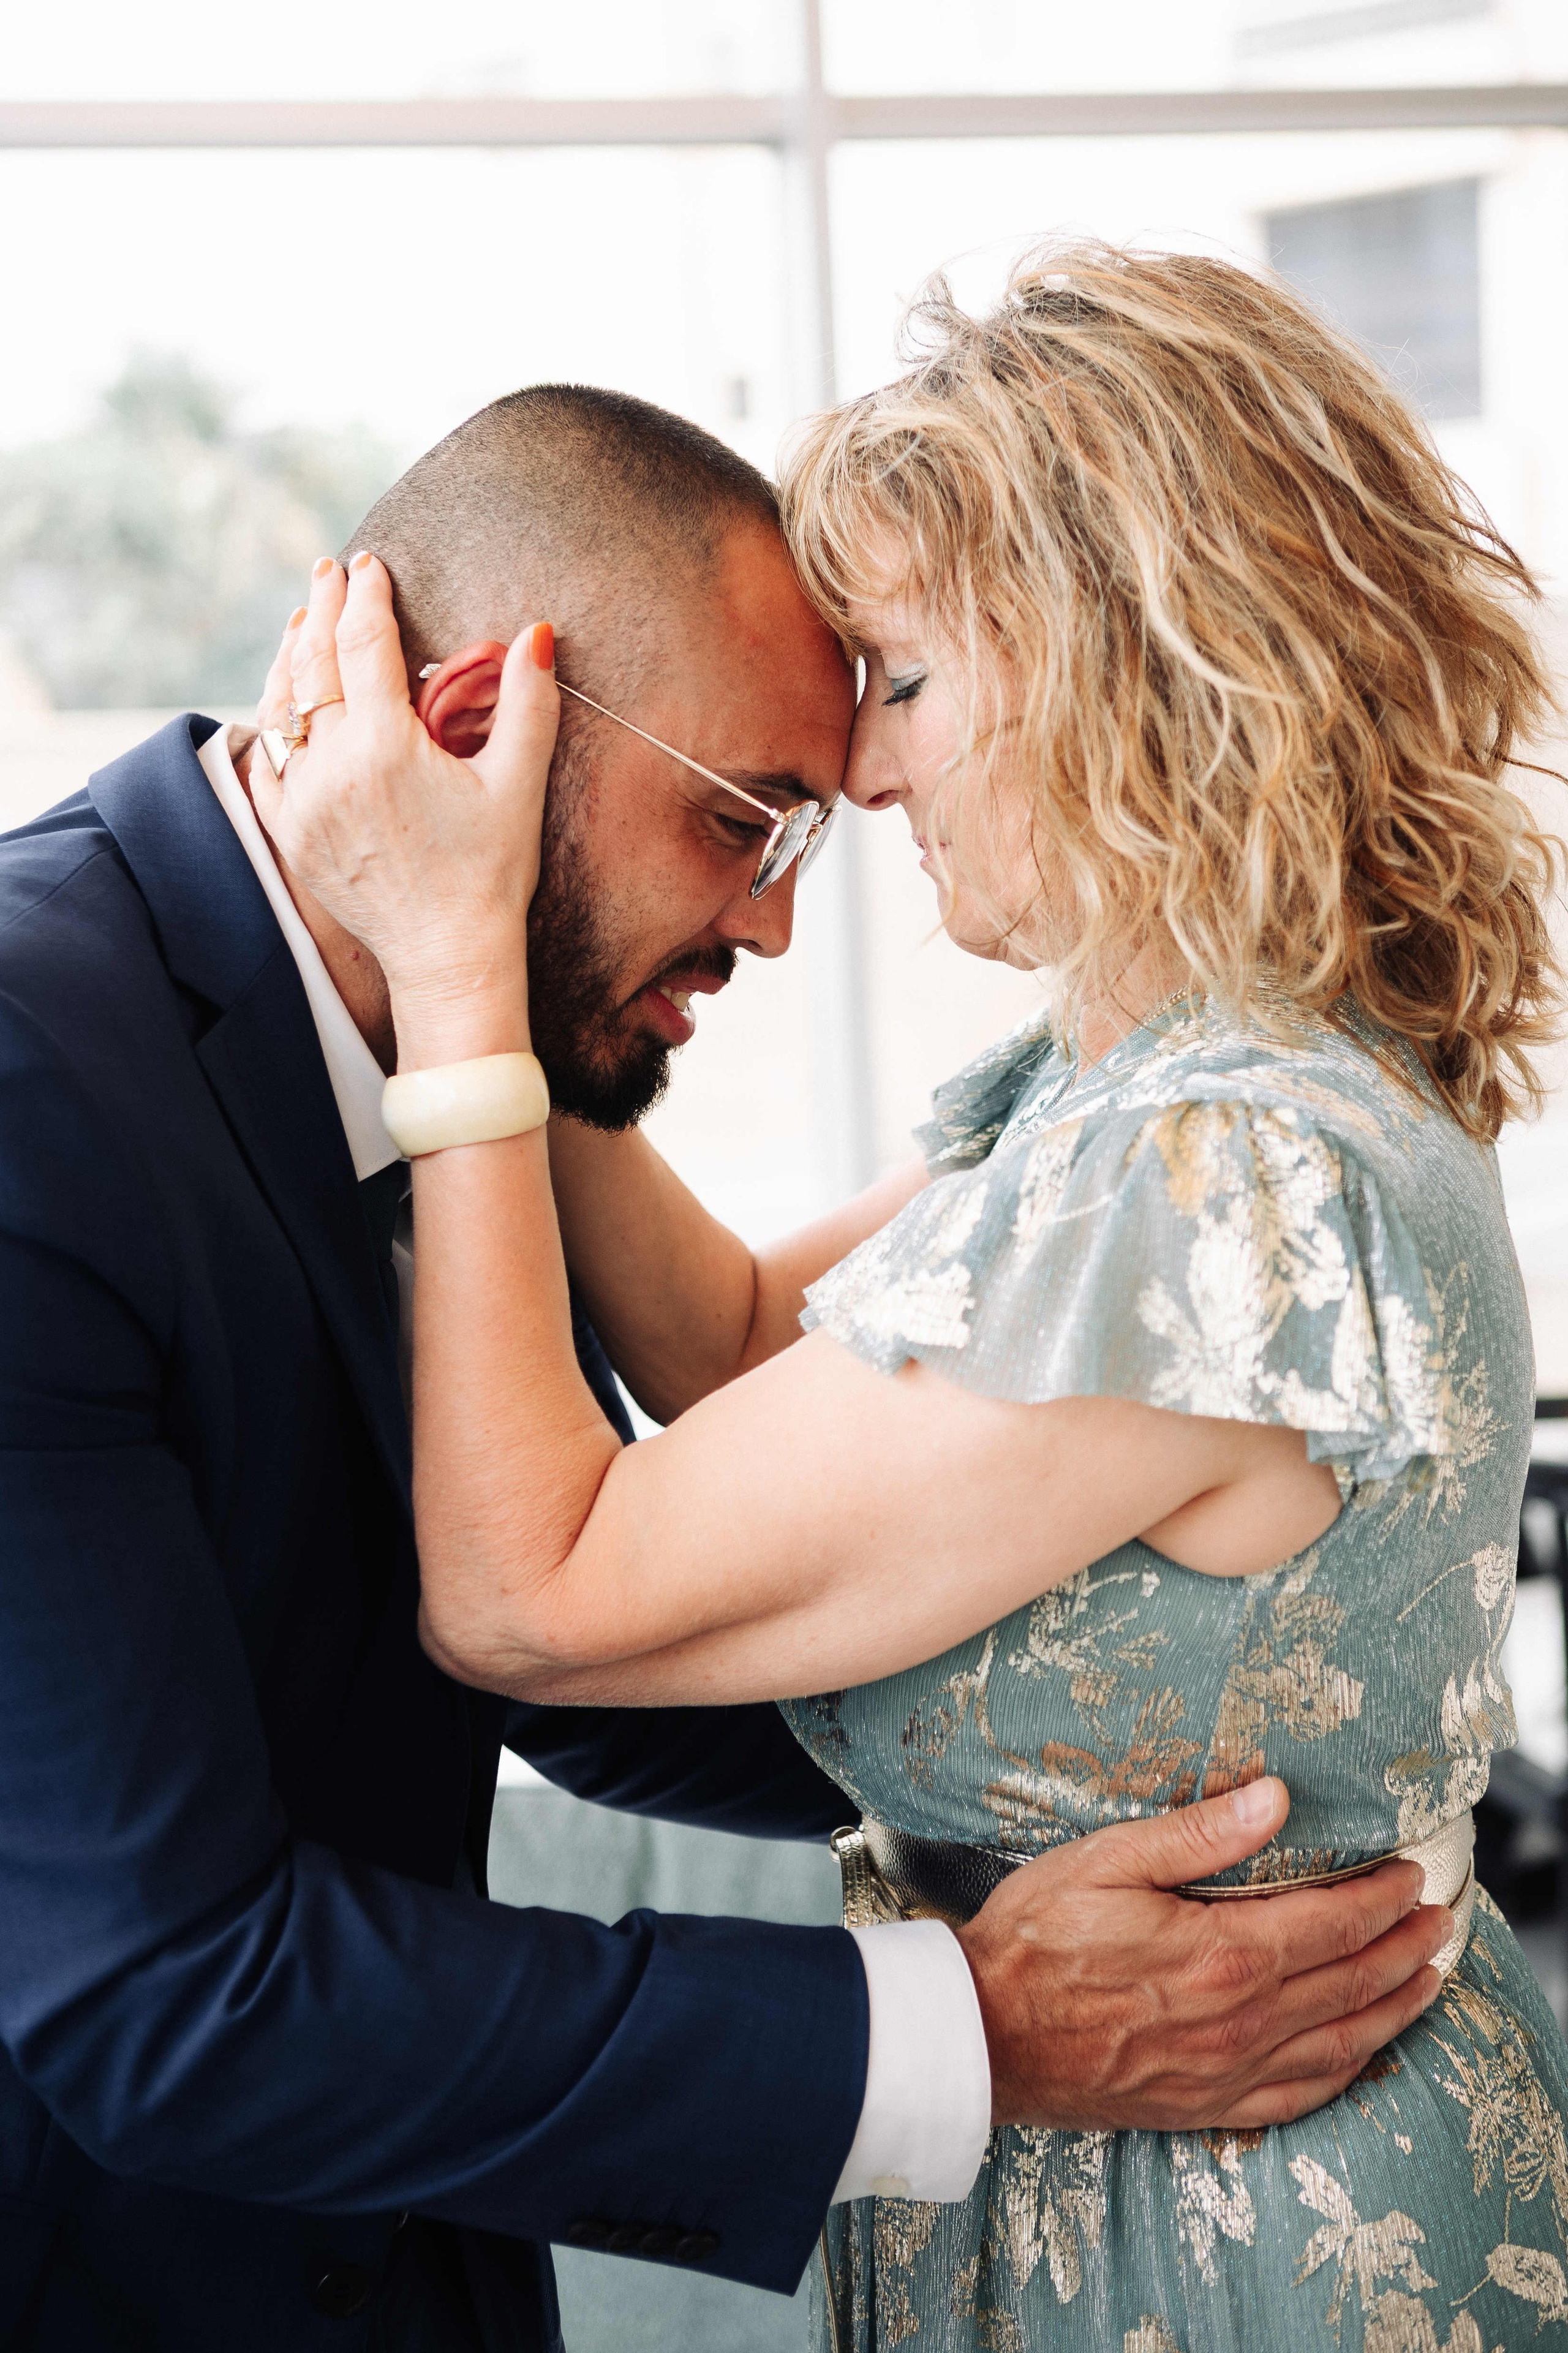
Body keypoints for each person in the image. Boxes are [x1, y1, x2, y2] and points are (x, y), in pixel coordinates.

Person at [0, 381, 1438, 2353]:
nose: (772, 915)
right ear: (468, 733)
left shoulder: (441, 1043)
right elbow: (170, 1994)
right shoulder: (37, 1081)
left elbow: (579, 1620)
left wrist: (1146, 1726)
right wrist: (970, 2021)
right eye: (750, 815)